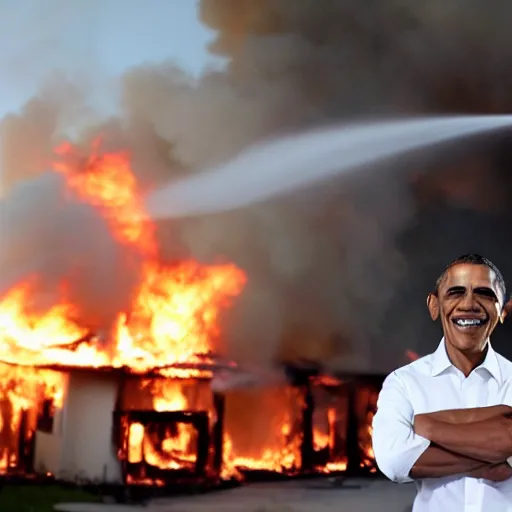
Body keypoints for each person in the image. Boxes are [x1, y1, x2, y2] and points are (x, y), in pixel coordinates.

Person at [372, 253, 512, 511]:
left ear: (503, 310)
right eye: (455, 292)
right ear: (434, 306)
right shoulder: (403, 382)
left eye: (484, 293)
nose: (469, 304)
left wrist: (429, 426)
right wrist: (493, 457)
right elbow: (394, 461)